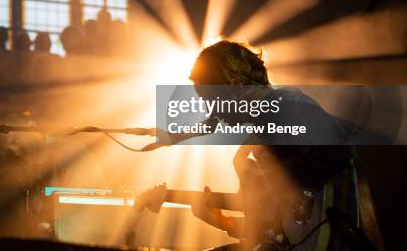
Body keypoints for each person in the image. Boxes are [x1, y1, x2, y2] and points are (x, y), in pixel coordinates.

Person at [136, 41, 354, 250]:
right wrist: (222, 221)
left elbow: (338, 149)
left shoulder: (287, 105)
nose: (212, 111)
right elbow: (267, 228)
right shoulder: (263, 132)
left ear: (238, 88)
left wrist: (290, 189)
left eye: (211, 100)